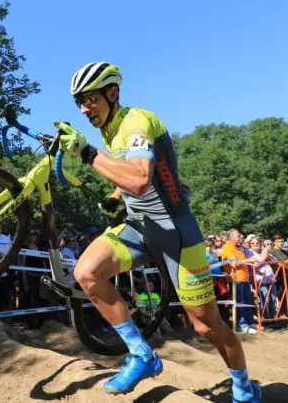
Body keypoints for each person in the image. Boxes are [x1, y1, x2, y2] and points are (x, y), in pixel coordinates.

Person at [56, 62, 260, 402]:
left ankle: (242, 385)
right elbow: (128, 175)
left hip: (175, 232)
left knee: (206, 326)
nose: (83, 109)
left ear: (112, 93)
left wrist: (88, 154)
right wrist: (113, 195)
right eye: (79, 101)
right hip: (139, 226)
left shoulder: (137, 120)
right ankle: (142, 355)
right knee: (87, 272)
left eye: (89, 99)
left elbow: (138, 178)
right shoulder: (110, 128)